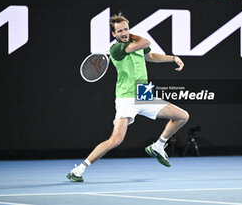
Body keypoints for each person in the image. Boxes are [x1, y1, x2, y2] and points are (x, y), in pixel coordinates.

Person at [66, 13, 189, 182]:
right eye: (120, 31)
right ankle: (79, 169)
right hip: (126, 98)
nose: (124, 33)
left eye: (126, 29)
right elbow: (146, 42)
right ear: (113, 34)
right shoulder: (116, 50)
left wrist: (173, 58)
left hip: (143, 93)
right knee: (116, 139)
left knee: (182, 116)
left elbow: (150, 56)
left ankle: (158, 146)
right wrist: (131, 36)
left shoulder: (135, 44)